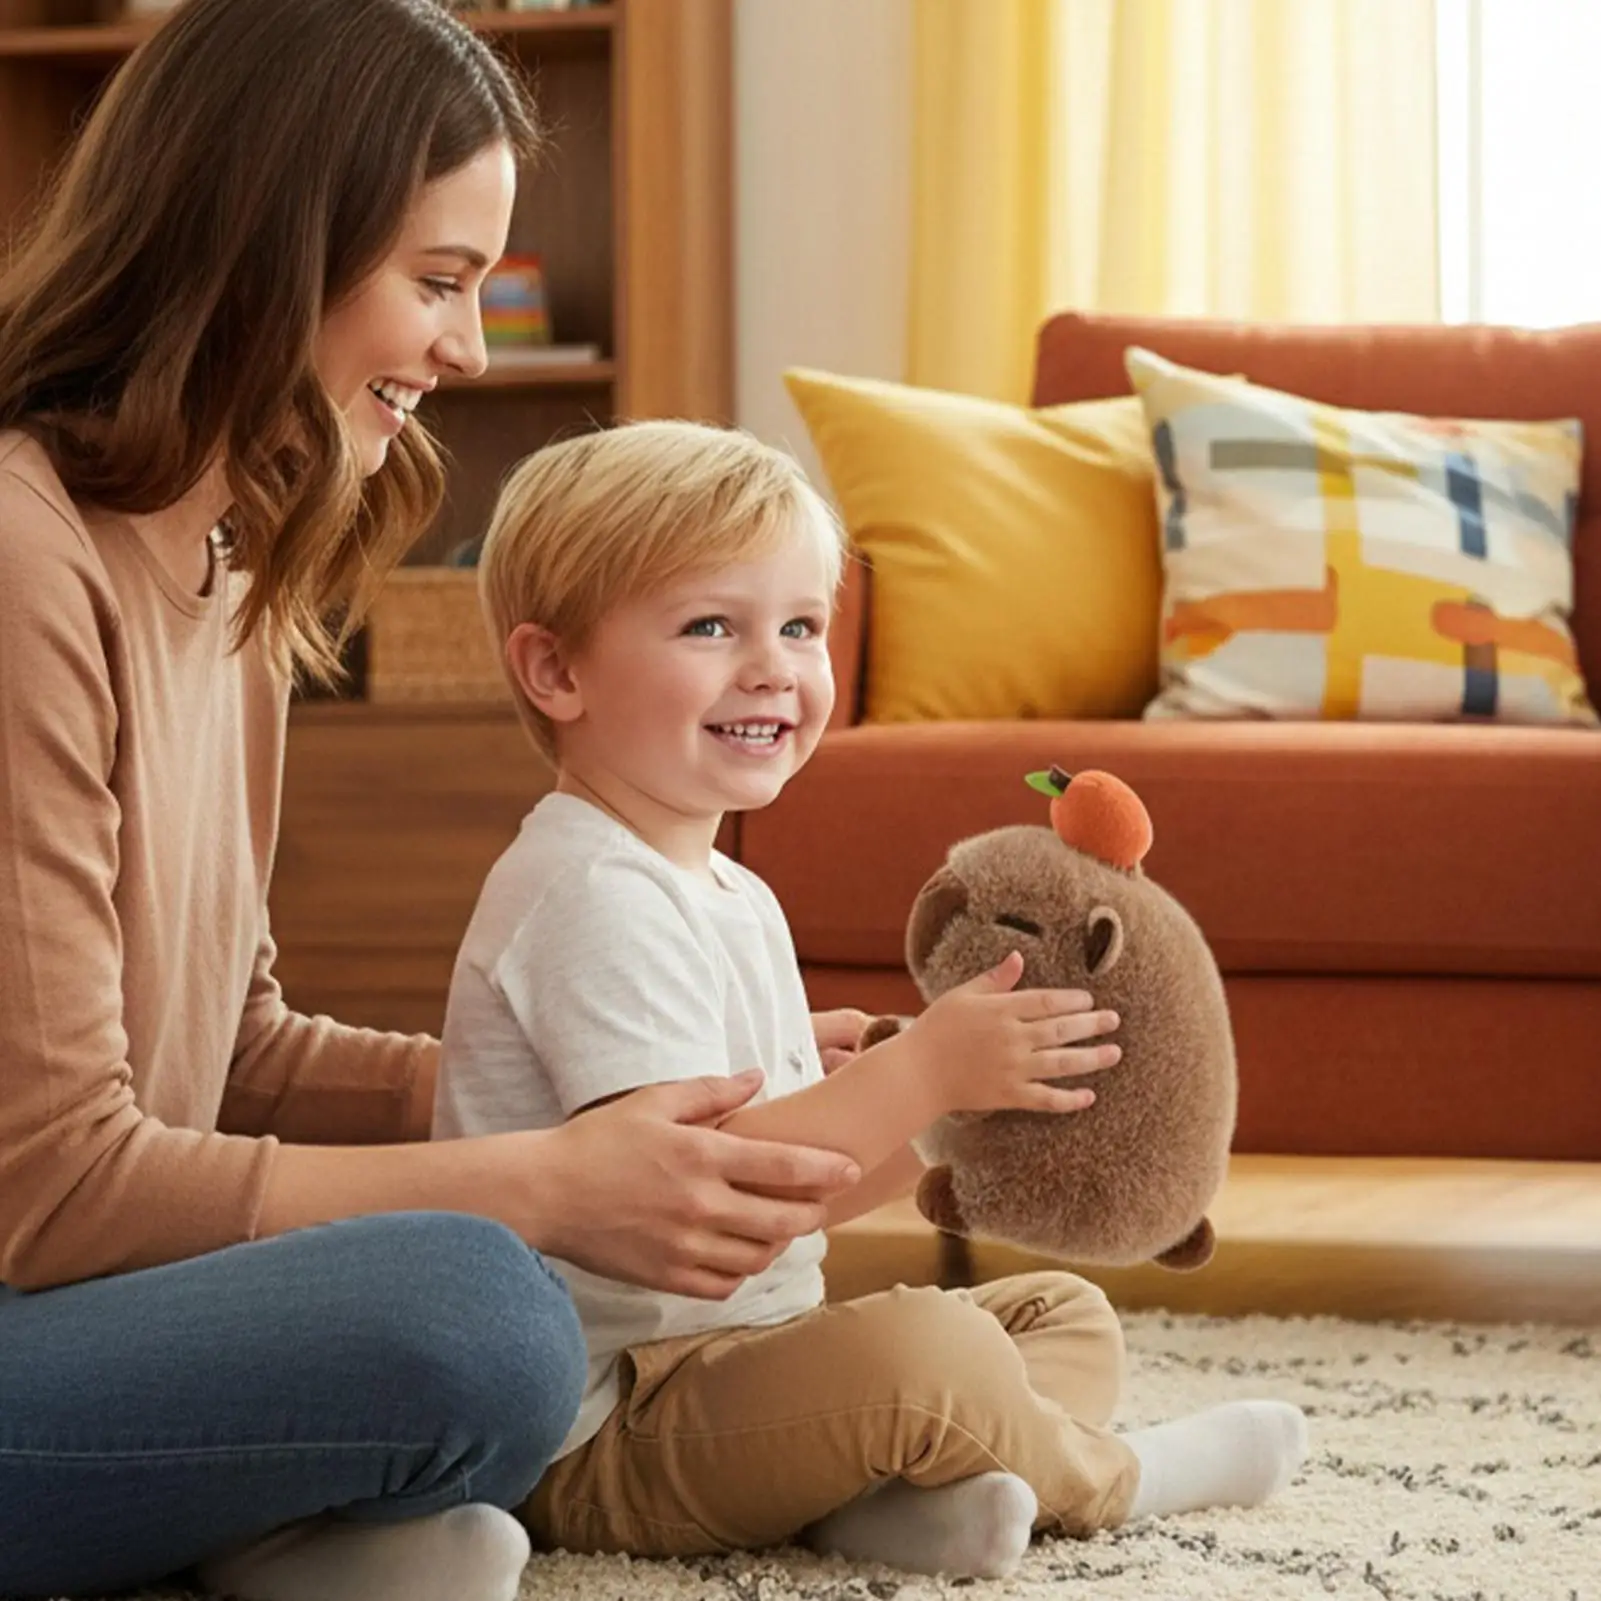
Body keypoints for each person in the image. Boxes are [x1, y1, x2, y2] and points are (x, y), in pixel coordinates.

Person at [0, 4, 865, 1599]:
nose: (468, 350)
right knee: (483, 1311)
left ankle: (273, 1532)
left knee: (485, 1297)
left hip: (75, 1306)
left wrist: (632, 1085)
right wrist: (540, 1177)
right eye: (441, 282)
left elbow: (235, 1057)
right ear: (265, 244)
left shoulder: (228, 562)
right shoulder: (24, 557)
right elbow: (54, 1190)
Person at [434, 420, 1311, 1581]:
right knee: (930, 1350)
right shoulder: (591, 890)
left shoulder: (724, 888)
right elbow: (697, 1200)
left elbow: (797, 1201)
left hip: (747, 1357)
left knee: (1054, 1312)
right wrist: (921, 1075)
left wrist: (960, 1120)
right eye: (711, 626)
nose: (772, 666)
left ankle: (890, 1503)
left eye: (799, 625)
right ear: (556, 671)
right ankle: (1117, 1476)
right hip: (616, 1422)